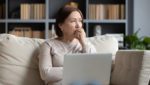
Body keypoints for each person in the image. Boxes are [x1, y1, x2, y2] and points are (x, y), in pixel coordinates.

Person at [38, 5, 96, 85]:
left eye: (80, 21)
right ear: (61, 25)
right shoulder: (48, 45)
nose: (78, 25)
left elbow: (94, 68)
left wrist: (83, 43)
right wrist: (79, 70)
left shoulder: (85, 44)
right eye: (73, 21)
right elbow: (45, 74)